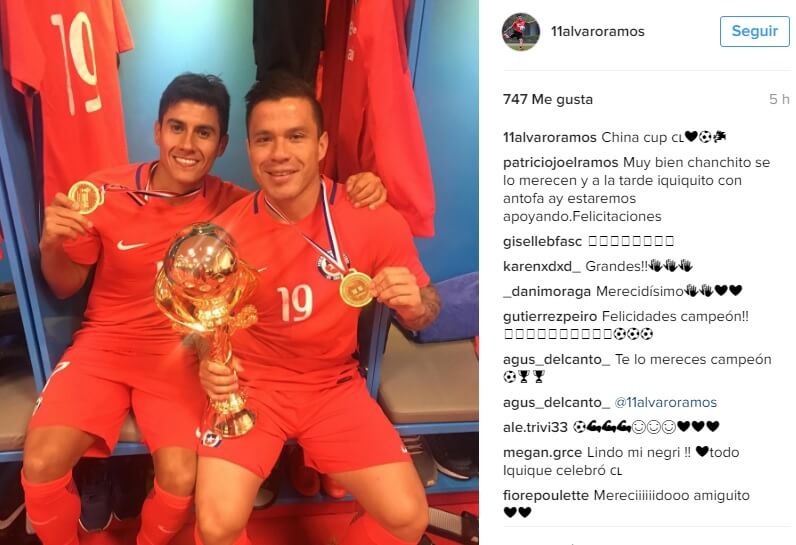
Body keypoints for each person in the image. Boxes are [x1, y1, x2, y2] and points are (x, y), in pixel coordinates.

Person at [21, 73, 385, 545]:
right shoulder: (103, 192)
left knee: (179, 478)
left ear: (222, 144)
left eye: (204, 132)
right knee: (41, 462)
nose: (188, 144)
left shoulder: (235, 208)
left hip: (181, 356)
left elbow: (306, 207)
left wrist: (360, 190)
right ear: (158, 131)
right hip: (102, 347)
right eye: (177, 127)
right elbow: (65, 284)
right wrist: (53, 242)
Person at [194, 72, 441, 545]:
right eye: (264, 139)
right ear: (249, 149)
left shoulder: (371, 217)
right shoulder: (224, 235)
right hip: (252, 390)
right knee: (216, 526)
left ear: (322, 144)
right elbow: (202, 326)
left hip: (332, 387)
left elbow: (428, 307)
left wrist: (413, 305)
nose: (279, 153)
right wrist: (208, 360)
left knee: (409, 519)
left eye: (296, 136)